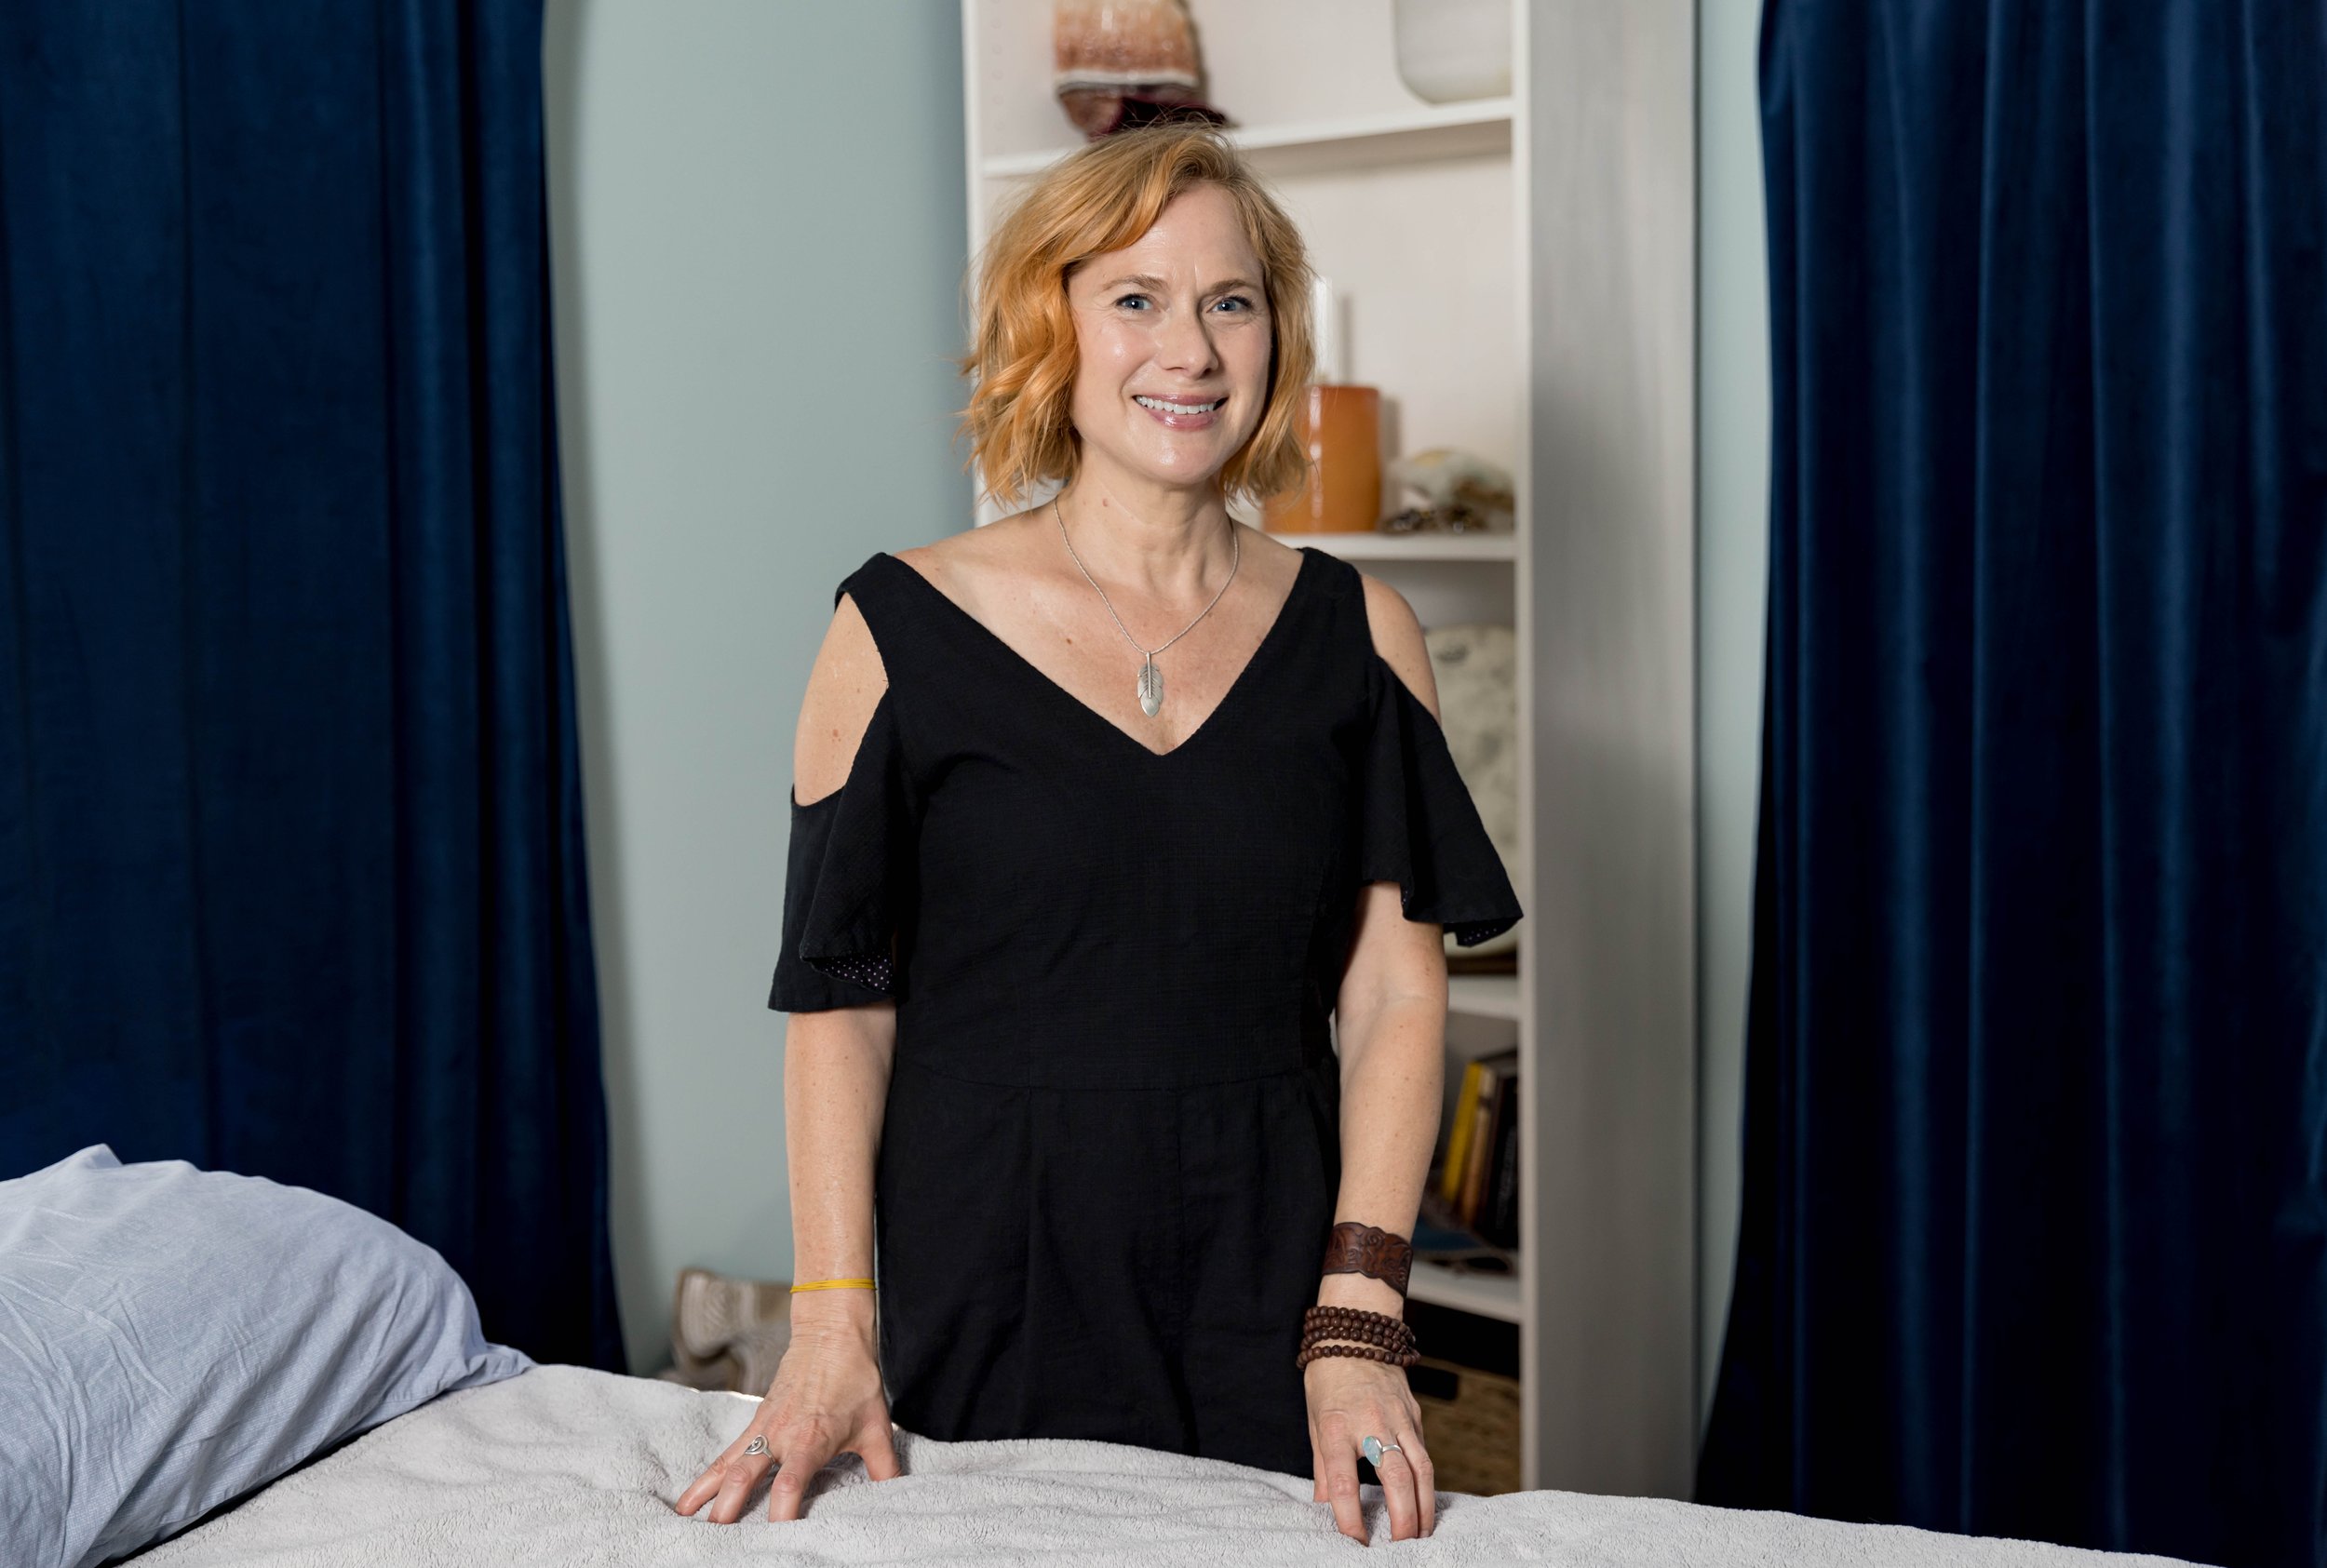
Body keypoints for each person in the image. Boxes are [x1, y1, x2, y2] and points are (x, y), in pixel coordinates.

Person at [674, 123, 1522, 1548]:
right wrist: (832, 1326)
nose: (1188, 347)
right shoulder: (893, 629)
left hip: (1276, 1281)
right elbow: (841, 1006)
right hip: (991, 1269)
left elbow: (1392, 991)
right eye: (1134, 297)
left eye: (1230, 300)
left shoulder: (1361, 639)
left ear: (1272, 338)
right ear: (1047, 331)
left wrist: (1362, 1308)